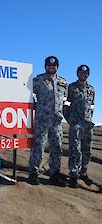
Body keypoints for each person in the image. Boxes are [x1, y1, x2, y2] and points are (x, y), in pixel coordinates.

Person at [28, 56, 68, 186]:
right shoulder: (39, 79)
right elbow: (26, 93)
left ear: (57, 66)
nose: (52, 67)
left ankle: (54, 175)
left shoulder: (63, 82)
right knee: (39, 146)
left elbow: (66, 102)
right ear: (45, 66)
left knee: (56, 147)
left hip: (57, 121)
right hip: (42, 119)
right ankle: (33, 173)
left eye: (54, 65)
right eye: (49, 65)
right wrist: (34, 106)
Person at [64, 65, 95, 188]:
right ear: (77, 74)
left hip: (87, 124)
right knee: (75, 149)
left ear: (88, 75)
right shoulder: (71, 87)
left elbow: (92, 106)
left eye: (85, 73)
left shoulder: (91, 89)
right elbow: (65, 105)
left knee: (87, 150)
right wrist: (70, 120)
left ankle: (83, 173)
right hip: (75, 123)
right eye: (81, 73)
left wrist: (89, 119)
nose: (83, 75)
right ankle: (73, 174)